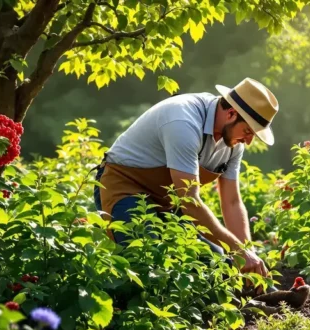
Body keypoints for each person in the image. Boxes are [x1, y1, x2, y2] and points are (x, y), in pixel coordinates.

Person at [93, 78, 277, 280]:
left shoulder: (233, 143)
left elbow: (232, 202)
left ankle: (251, 292)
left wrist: (248, 256)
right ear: (231, 113)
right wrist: (239, 251)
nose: (248, 141)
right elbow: (189, 201)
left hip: (169, 203)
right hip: (123, 188)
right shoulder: (183, 121)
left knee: (216, 261)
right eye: (248, 131)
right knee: (146, 259)